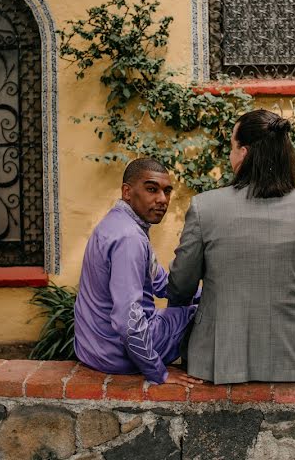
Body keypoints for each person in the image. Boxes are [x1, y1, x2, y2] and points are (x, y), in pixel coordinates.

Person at [168, 109, 295, 384]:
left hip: (219, 357)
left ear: (243, 152)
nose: (230, 155)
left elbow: (181, 286)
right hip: (292, 354)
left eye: (231, 147)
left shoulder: (205, 207)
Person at [74, 158, 201, 387]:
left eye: (167, 191)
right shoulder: (129, 239)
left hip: (93, 349)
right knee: (200, 315)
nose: (162, 199)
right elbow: (127, 321)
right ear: (127, 192)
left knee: (193, 305)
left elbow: (163, 285)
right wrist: (159, 373)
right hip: (115, 355)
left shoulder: (120, 224)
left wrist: (212, 293)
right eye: (152, 189)